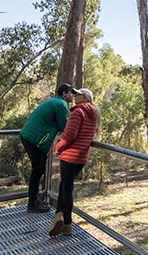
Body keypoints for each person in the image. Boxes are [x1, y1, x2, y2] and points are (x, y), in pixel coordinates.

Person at [49, 87, 99, 237]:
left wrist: (58, 147)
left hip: (70, 156)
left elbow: (70, 134)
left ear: (85, 97)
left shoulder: (78, 112)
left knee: (67, 188)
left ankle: (67, 223)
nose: (75, 96)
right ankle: (59, 215)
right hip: (81, 157)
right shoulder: (94, 113)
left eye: (78, 94)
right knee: (65, 186)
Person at [20, 83, 74, 213]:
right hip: (35, 139)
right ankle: (32, 202)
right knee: (38, 170)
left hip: (28, 136)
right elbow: (65, 126)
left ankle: (34, 200)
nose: (73, 95)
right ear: (64, 94)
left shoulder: (54, 101)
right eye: (71, 92)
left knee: (38, 169)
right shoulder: (61, 104)